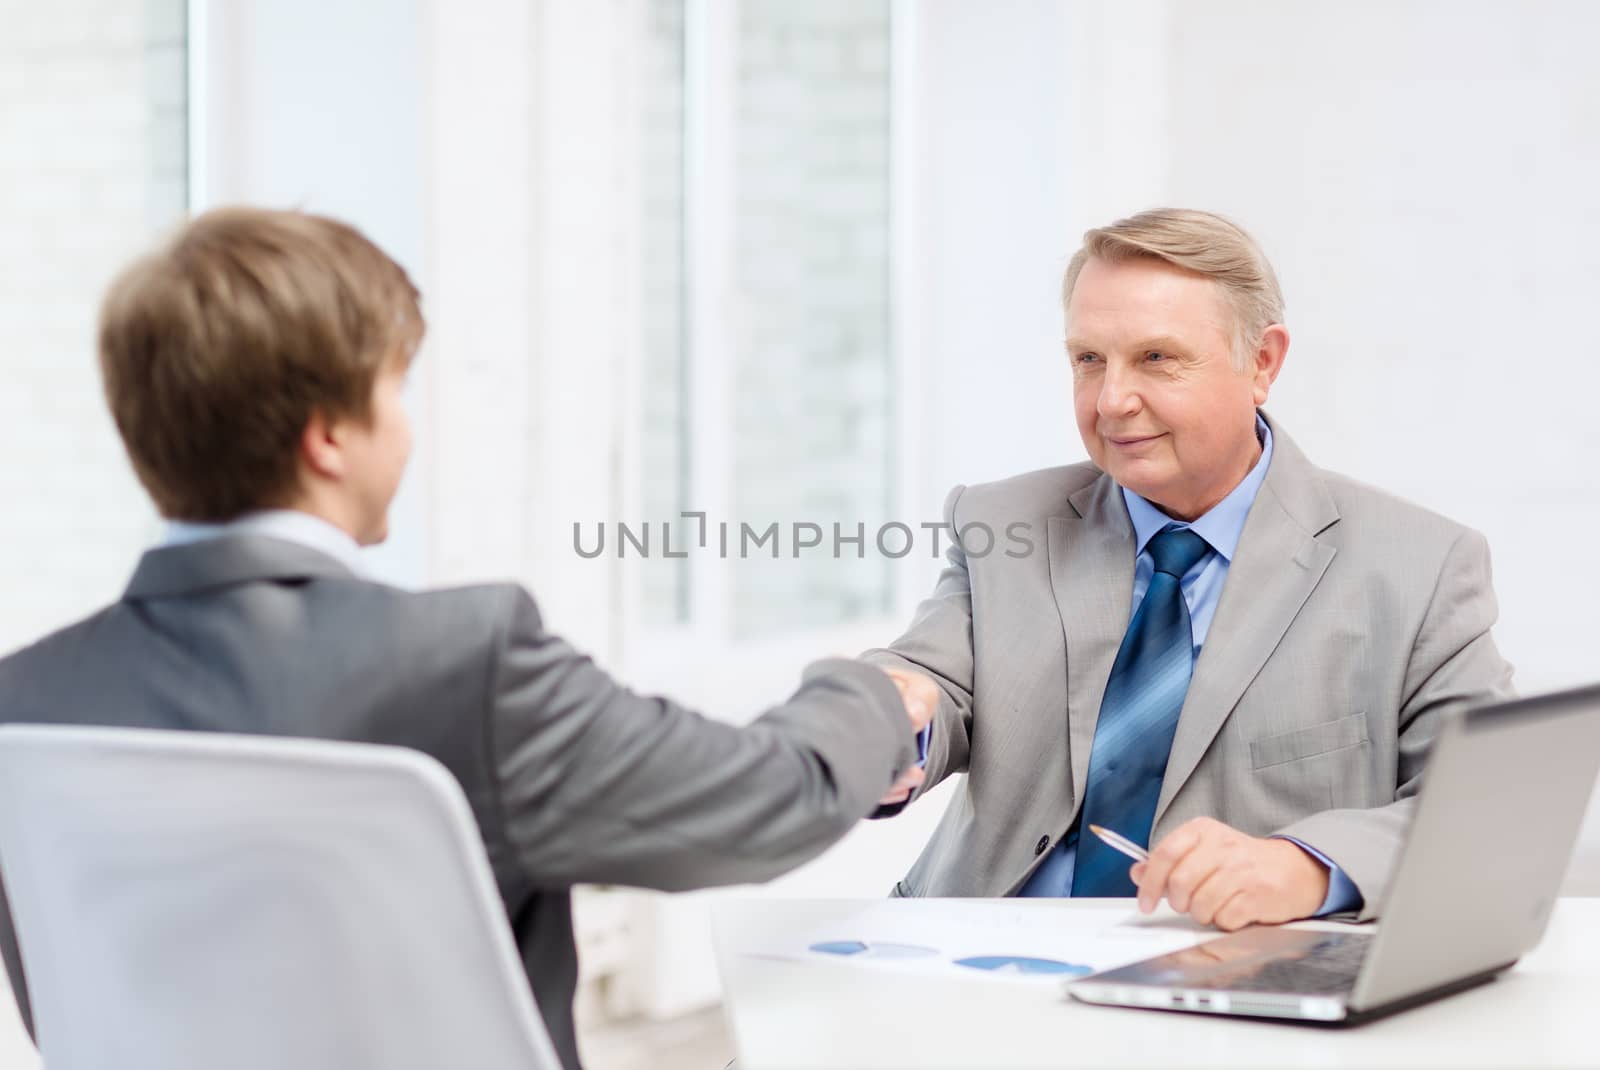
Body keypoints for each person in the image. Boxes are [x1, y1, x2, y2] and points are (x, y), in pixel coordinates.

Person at [0, 207, 937, 1070]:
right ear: (329, 437)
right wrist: (869, 695)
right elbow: (767, 802)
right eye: (393, 391)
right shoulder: (463, 665)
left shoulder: (25, 707)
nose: (406, 429)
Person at [867, 208, 1513, 928]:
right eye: (1088, 360)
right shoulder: (1002, 522)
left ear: (1262, 363)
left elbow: (1484, 813)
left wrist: (1308, 866)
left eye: (1156, 358)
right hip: (972, 951)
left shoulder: (1419, 567)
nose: (1112, 401)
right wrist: (888, 724)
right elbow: (934, 685)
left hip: (1227, 985)